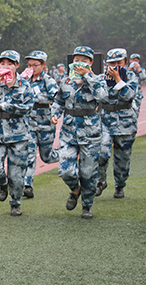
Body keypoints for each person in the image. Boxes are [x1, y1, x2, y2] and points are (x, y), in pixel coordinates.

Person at [50, 46, 108, 219]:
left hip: (90, 133)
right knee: (65, 171)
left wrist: (88, 77)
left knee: (88, 173)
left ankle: (87, 205)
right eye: (76, 60)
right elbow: (59, 101)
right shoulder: (66, 81)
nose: (79, 63)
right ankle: (75, 190)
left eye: (83, 60)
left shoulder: (98, 80)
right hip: (68, 133)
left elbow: (103, 97)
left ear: (90, 62)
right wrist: (54, 115)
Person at [0, 50, 35, 216]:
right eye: (2, 63)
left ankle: (15, 203)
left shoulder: (24, 85)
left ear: (17, 66)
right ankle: (3, 183)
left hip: (19, 133)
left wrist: (10, 106)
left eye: (10, 63)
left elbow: (29, 107)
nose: (5, 66)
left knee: (17, 174)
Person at [96, 48, 139, 199]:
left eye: (118, 63)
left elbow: (130, 95)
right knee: (101, 152)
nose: (114, 66)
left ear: (125, 63)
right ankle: (100, 182)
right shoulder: (102, 78)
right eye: (111, 63)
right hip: (105, 120)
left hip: (125, 122)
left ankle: (120, 185)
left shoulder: (131, 76)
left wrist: (119, 80)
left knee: (122, 160)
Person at [22, 50, 59, 199]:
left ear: (43, 65)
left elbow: (55, 97)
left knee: (47, 157)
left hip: (45, 123)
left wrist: (35, 97)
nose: (32, 68)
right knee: (29, 155)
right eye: (29, 65)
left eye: (35, 65)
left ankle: (66, 154)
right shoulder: (25, 79)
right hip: (29, 123)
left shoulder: (48, 80)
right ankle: (27, 185)